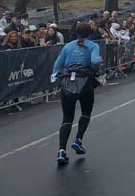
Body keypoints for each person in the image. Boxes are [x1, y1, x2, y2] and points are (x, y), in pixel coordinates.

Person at [52, 22, 102, 166]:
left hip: (67, 82)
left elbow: (57, 65)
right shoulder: (93, 46)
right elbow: (94, 61)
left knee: (67, 118)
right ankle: (78, 140)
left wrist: (54, 77)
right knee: (86, 112)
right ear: (90, 33)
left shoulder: (68, 46)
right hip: (84, 82)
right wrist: (98, 66)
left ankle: (61, 150)